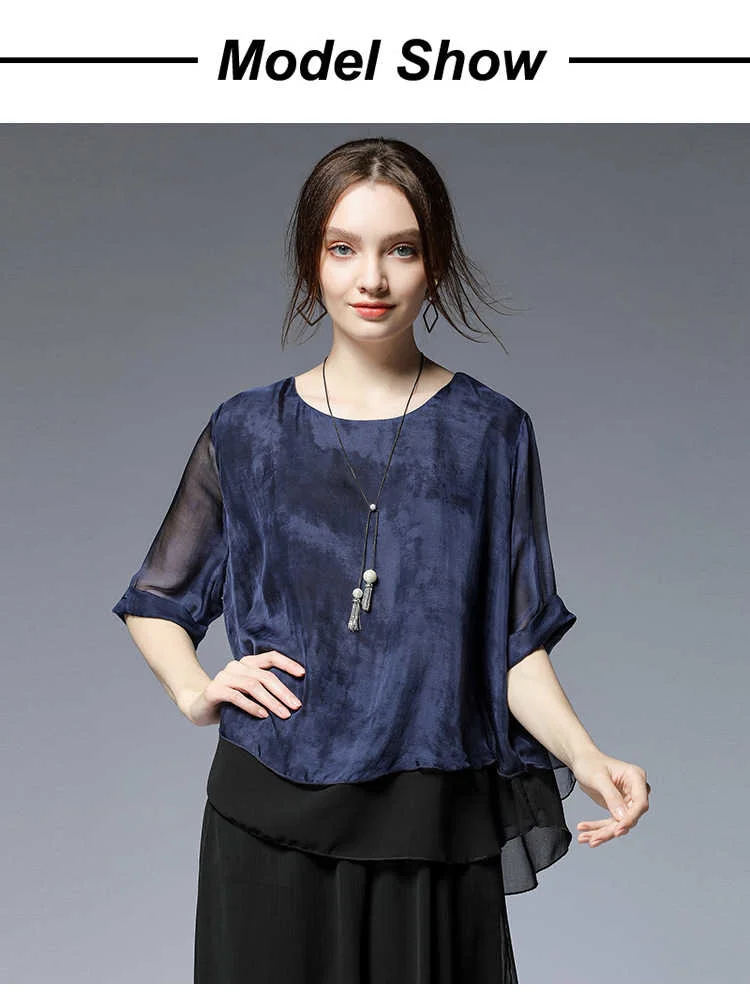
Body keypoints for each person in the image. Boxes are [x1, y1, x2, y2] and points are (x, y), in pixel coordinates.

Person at [112, 136, 651, 983]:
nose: (372, 278)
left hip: (430, 824)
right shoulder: (246, 430)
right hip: (267, 818)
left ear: (434, 264)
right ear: (311, 261)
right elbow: (157, 598)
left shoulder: (491, 433)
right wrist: (193, 689)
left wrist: (586, 755)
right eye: (343, 248)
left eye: (400, 249)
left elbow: (513, 644)